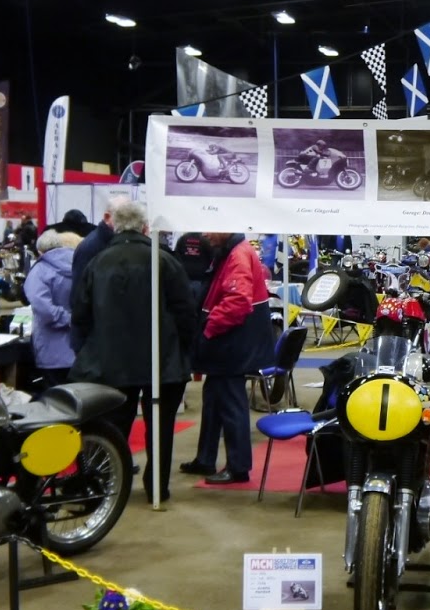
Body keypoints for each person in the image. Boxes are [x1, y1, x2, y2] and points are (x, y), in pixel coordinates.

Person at [71, 202, 197, 504]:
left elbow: (80, 313)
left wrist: (95, 344)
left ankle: (104, 484)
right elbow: (185, 312)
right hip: (162, 361)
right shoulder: (164, 261)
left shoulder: (98, 262)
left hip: (110, 361)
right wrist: (184, 351)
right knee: (161, 427)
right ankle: (157, 487)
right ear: (145, 227)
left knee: (112, 427)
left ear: (114, 225)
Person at [179, 230, 276, 486]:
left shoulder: (238, 254)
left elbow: (238, 300)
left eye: (209, 228)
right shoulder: (232, 251)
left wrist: (210, 327)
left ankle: (238, 466)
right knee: (212, 400)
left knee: (231, 405)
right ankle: (206, 458)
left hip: (233, 345)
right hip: (231, 345)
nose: (204, 235)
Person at [23, 229, 80, 388]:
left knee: (59, 402)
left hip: (51, 351)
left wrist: (66, 318)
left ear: (40, 252)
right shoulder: (79, 264)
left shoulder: (39, 271)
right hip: (79, 349)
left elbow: (44, 309)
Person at [68, 206, 117, 352]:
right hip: (93, 338)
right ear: (107, 217)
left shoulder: (103, 242)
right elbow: (78, 297)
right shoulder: (92, 246)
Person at [173, 229, 216, 309]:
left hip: (184, 278)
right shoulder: (205, 241)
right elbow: (212, 257)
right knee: (197, 305)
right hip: (199, 279)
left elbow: (176, 256)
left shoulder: (182, 239)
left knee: (184, 305)